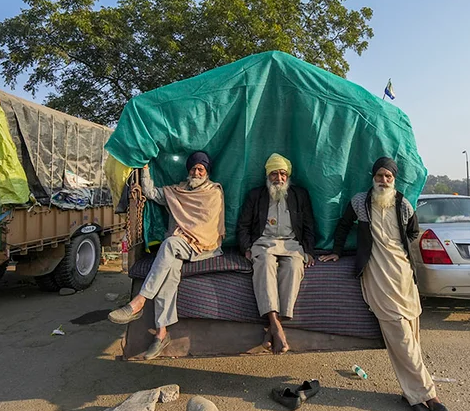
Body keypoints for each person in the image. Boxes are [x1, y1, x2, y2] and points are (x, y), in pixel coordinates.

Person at [319, 157, 451, 411]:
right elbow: (344, 226)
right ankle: (430, 395)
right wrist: (336, 252)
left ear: (394, 179)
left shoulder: (402, 203)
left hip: (403, 274)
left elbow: (412, 232)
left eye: (388, 177)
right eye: (379, 176)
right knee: (400, 334)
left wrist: (397, 251)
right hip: (376, 274)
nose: (383, 180)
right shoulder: (360, 202)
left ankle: (411, 394)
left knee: (412, 335)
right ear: (373, 177)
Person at [108, 151, 226, 358]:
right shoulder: (177, 191)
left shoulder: (213, 192)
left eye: (200, 169)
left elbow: (208, 224)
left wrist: (186, 236)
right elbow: (151, 192)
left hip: (204, 246)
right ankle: (161, 335)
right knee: (170, 273)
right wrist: (144, 169)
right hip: (178, 246)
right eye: (193, 168)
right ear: (188, 170)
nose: (196, 172)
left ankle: (139, 301)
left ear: (207, 171)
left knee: (169, 244)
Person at [236, 153, 316, 354]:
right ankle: (278, 327)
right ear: (267, 176)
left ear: (288, 176)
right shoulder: (256, 195)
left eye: (282, 174)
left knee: (294, 267)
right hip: (264, 243)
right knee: (264, 265)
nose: (278, 178)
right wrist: (246, 248)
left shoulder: (300, 195)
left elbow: (308, 227)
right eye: (274, 174)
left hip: (291, 245)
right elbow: (243, 226)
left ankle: (272, 327)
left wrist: (308, 251)